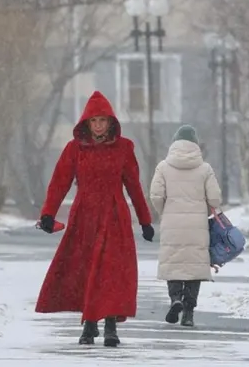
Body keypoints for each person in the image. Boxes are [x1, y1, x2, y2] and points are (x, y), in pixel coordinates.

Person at [36, 92, 154, 347]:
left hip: (114, 216)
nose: (99, 125)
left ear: (111, 122)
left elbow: (133, 185)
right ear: (86, 123)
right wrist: (48, 214)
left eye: (103, 120)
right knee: (87, 268)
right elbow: (59, 182)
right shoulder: (75, 149)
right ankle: (89, 325)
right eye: (94, 120)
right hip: (85, 216)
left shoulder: (124, 148)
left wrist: (145, 220)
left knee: (111, 271)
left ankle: (110, 325)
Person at [149, 124, 223, 328]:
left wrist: (164, 211)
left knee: (173, 262)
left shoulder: (163, 167)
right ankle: (189, 312)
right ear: (195, 144)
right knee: (193, 267)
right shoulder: (205, 169)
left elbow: (155, 195)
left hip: (172, 222)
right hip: (197, 224)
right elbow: (215, 199)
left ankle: (175, 299)